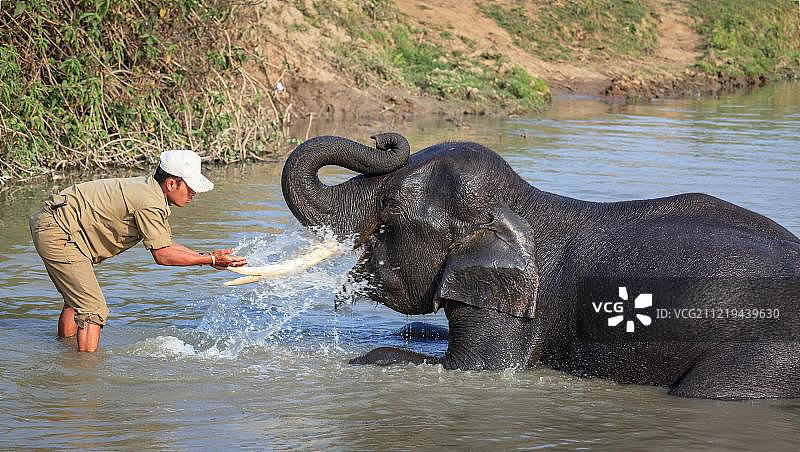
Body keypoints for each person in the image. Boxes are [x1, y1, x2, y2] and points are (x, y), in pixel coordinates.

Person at [29, 149, 247, 352]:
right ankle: (84, 376)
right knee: (93, 309)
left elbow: (166, 244)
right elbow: (162, 255)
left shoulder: (148, 190)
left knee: (78, 300)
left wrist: (207, 257)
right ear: (171, 183)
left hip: (57, 224)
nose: (194, 194)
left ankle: (63, 355)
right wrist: (209, 260)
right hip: (58, 230)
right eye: (190, 188)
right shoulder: (150, 202)